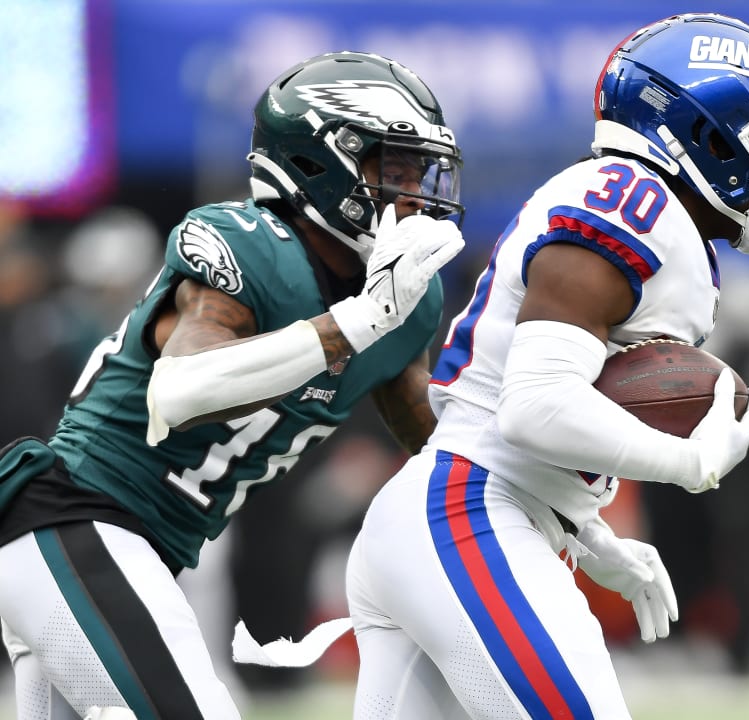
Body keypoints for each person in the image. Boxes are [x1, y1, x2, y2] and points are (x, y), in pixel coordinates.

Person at [344, 13, 749, 718]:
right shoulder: (636, 203)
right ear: (704, 135)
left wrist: (589, 533)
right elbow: (534, 406)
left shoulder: (649, 213)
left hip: (462, 513)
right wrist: (689, 462)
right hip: (469, 516)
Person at [0, 50, 465, 720]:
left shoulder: (405, 301)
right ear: (317, 162)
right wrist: (353, 324)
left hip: (139, 553)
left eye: (418, 170)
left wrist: (569, 505)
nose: (411, 190)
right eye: (389, 167)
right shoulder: (250, 244)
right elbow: (181, 393)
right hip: (74, 522)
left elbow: (444, 448)